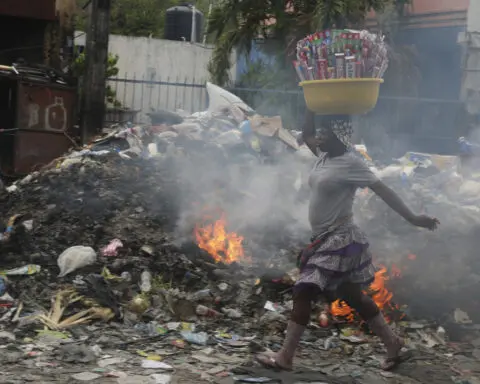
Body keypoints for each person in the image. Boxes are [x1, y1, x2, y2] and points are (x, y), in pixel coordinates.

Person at [256, 111, 439, 371]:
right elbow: (307, 135)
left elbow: (383, 190)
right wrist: (310, 108)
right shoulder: (324, 157)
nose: (318, 136)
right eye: (319, 132)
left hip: (341, 239)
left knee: (303, 290)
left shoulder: (351, 163)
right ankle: (393, 344)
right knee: (354, 296)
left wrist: (412, 218)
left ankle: (285, 356)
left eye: (325, 132)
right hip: (324, 239)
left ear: (340, 137)